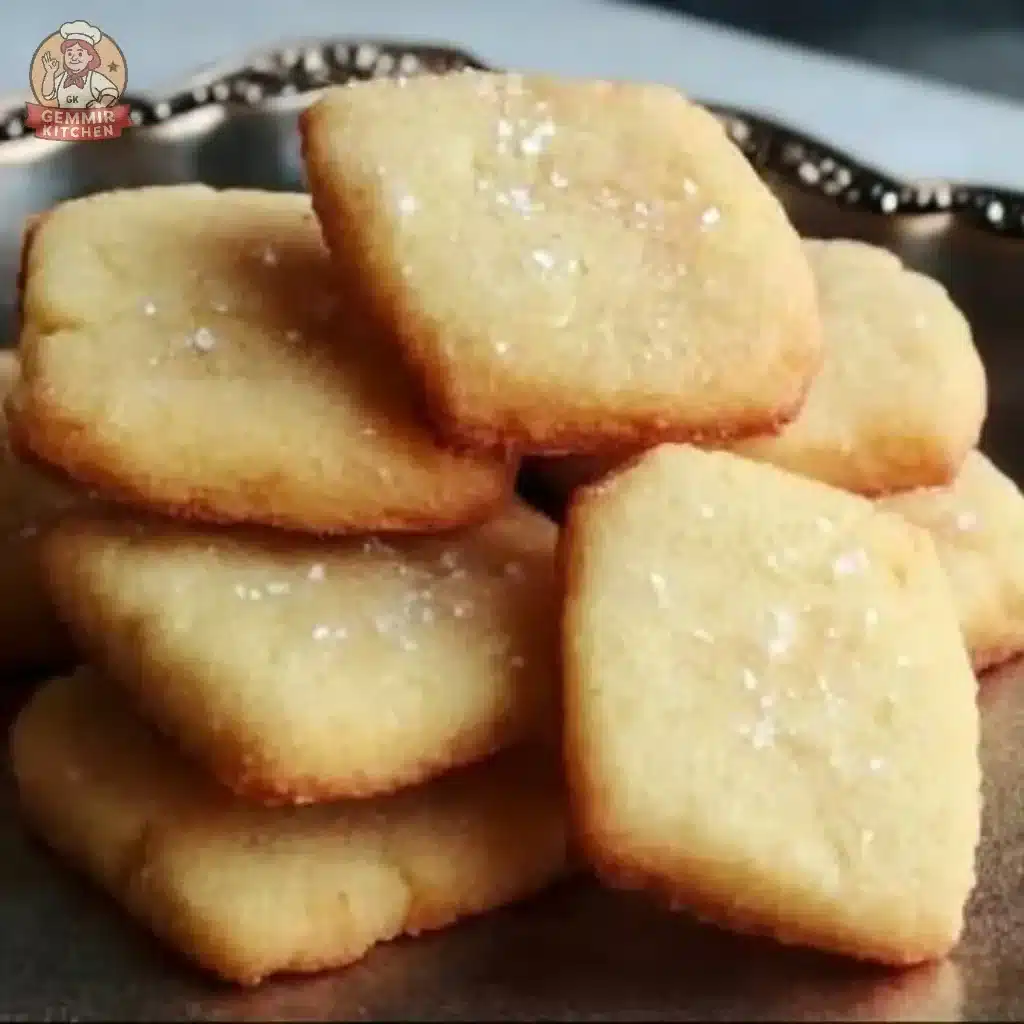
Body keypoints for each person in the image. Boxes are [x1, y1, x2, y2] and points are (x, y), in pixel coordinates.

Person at [39, 20, 119, 109]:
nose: (74, 58)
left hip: (89, 120)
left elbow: (111, 91)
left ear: (90, 57)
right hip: (65, 121)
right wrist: (50, 73)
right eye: (69, 53)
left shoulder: (93, 77)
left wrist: (101, 104)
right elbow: (48, 95)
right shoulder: (62, 78)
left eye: (80, 54)